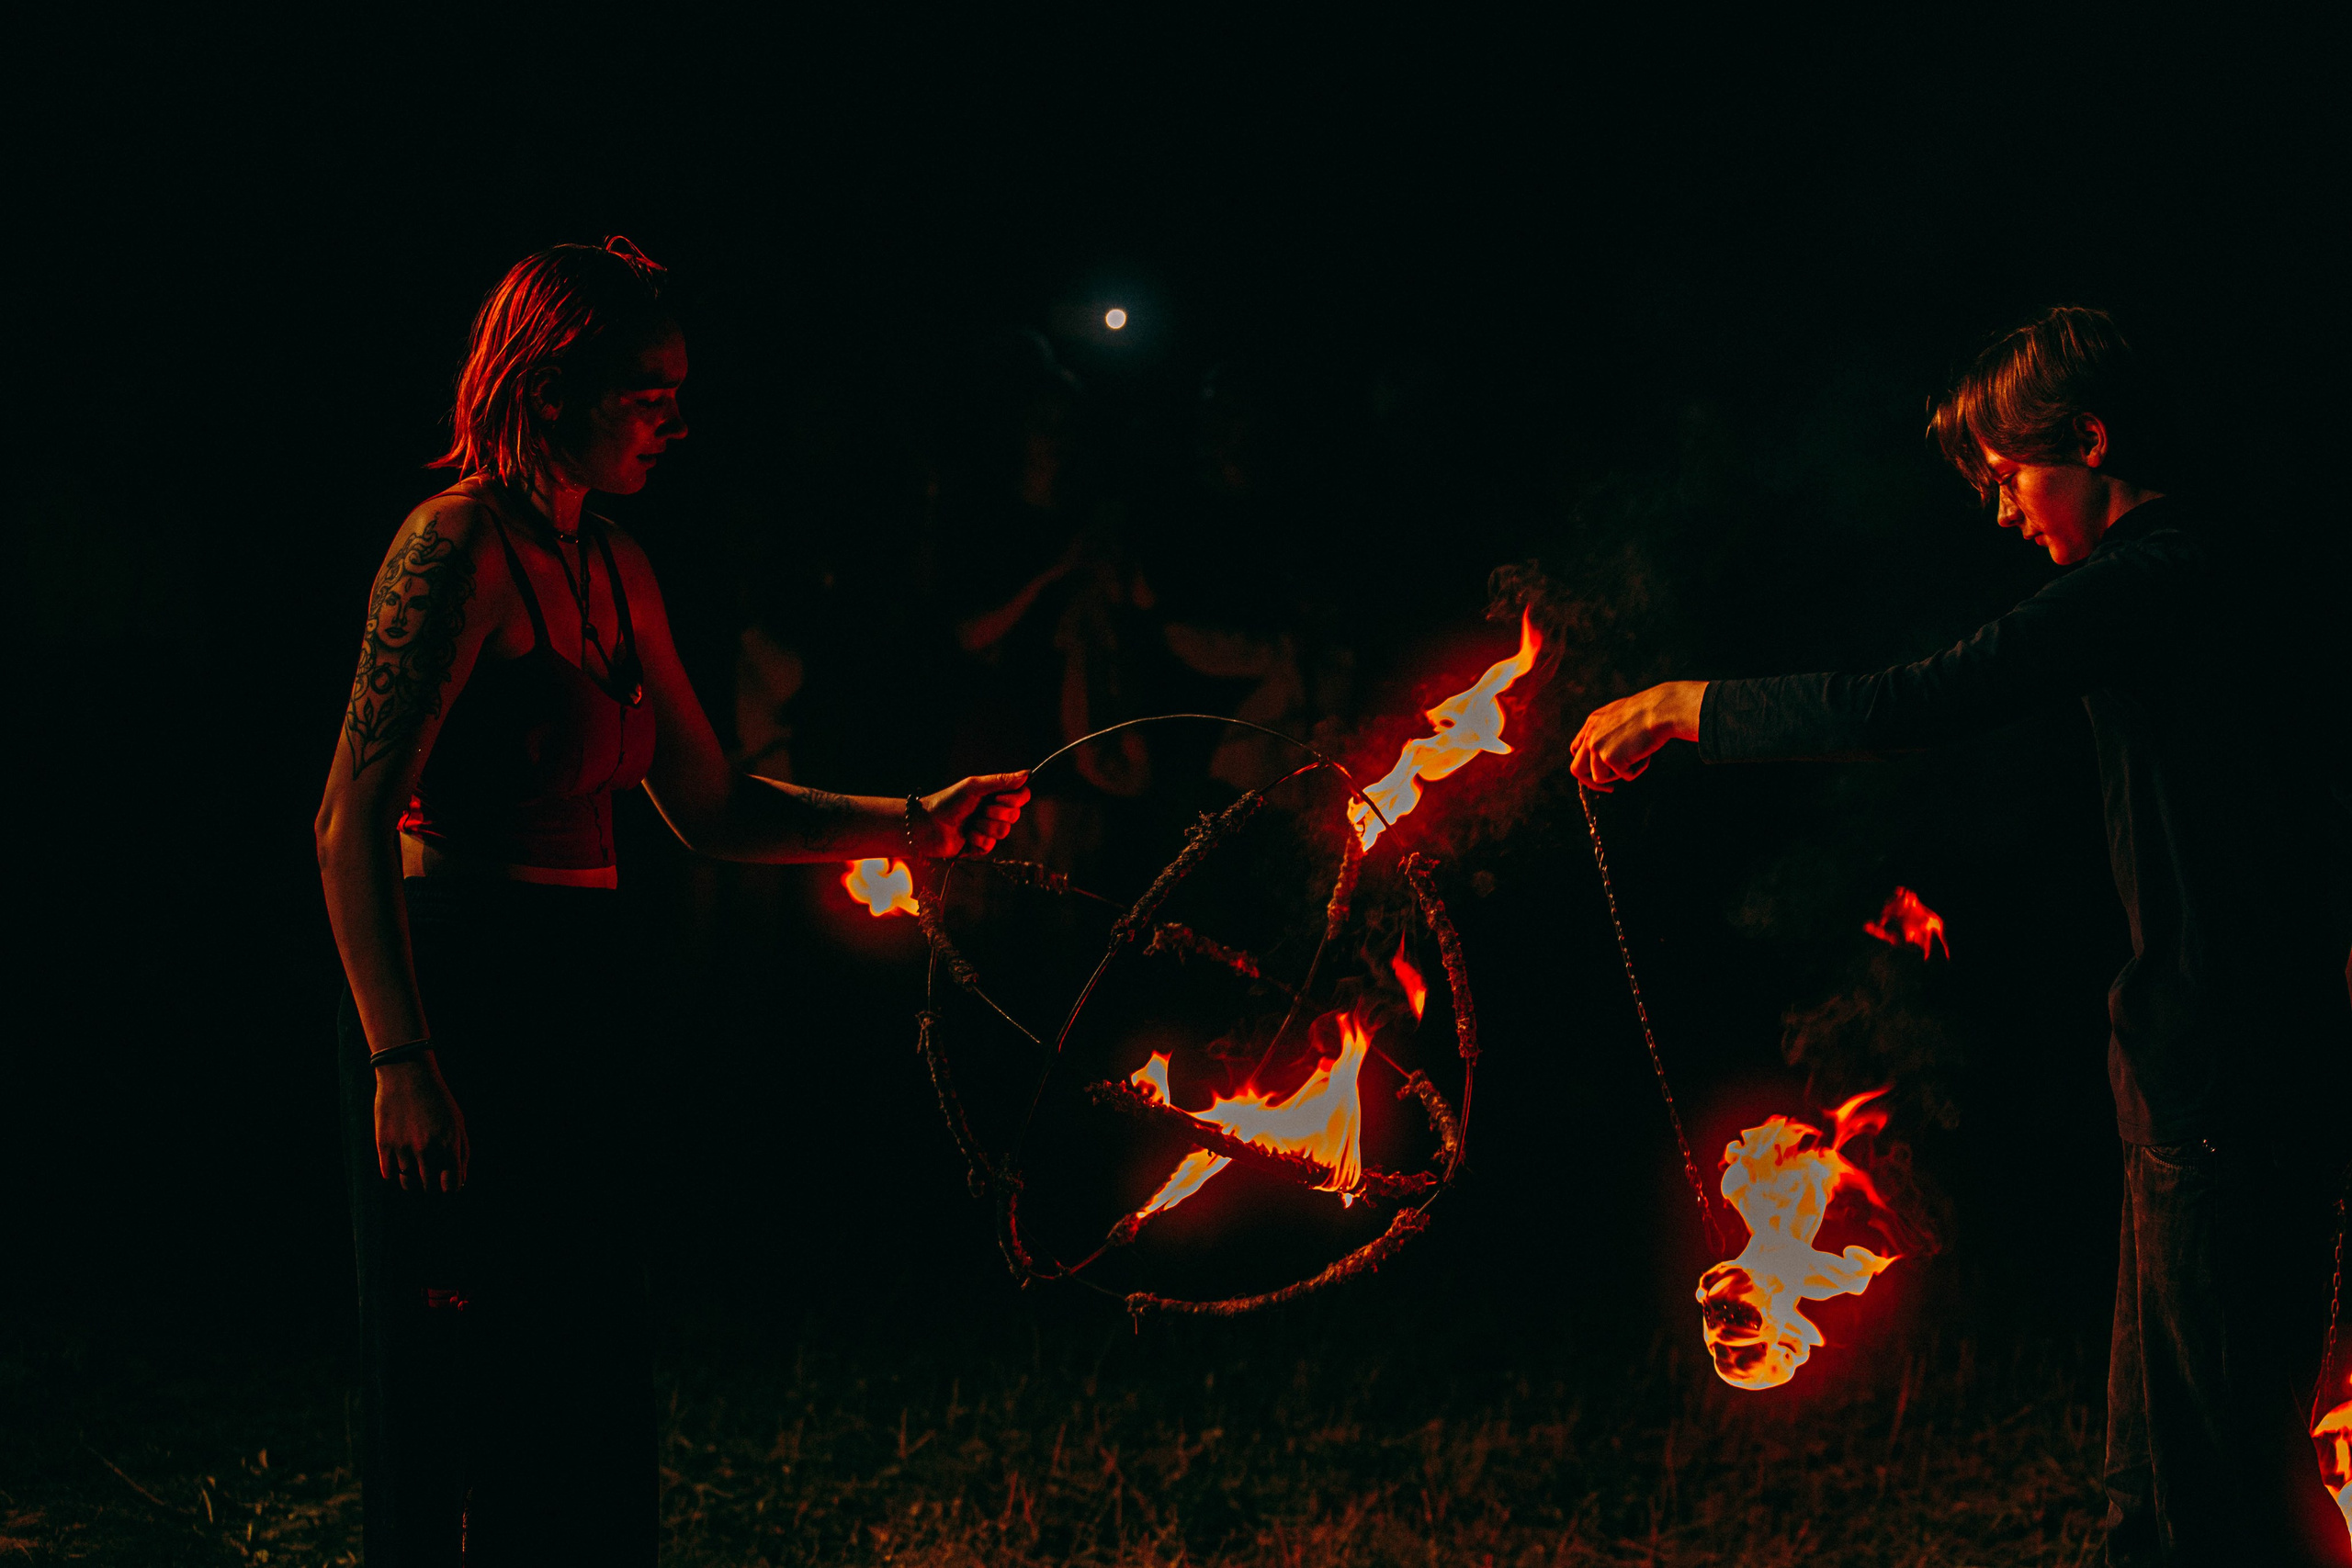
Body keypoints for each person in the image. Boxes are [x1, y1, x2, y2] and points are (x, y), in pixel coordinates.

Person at [1569, 307, 2351, 1564]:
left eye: (2009, 476)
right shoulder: (2194, 584)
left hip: (2233, 1077)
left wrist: (1686, 708)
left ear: (2090, 441)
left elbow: (1918, 698)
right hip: (2199, 1070)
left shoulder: (2163, 576)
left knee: (2225, 1499)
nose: (2003, 514)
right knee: (2148, 1493)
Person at [312, 239, 1030, 1566]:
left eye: (677, 389)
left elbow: (712, 805)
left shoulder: (613, 562)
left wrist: (919, 821)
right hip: (463, 988)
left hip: (579, 987)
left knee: (581, 1358)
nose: (676, 420)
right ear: (547, 385)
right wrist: (400, 1059)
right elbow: (346, 820)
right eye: (648, 391)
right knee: (461, 1374)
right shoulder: (453, 550)